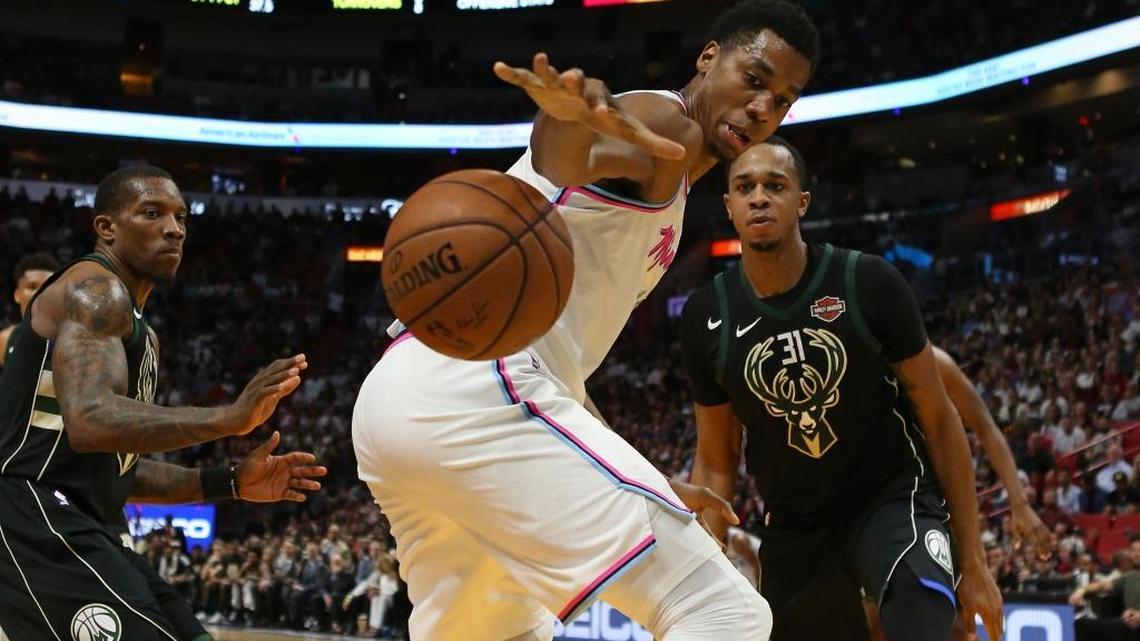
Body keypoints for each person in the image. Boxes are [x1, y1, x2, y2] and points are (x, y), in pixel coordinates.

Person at [353, 2, 819, 639]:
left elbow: (561, 370)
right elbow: (571, 155)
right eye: (756, 78)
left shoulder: (675, 184)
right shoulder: (668, 126)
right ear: (709, 58)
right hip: (477, 390)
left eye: (785, 100)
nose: (764, 107)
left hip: (400, 400)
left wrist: (648, 478)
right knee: (723, 613)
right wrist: (566, 120)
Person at [679, 139, 1003, 641]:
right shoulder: (706, 315)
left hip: (893, 499)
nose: (758, 198)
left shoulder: (868, 282)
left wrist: (975, 563)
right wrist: (706, 561)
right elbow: (717, 459)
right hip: (794, 523)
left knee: (920, 614)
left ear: (802, 201)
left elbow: (940, 420)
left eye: (775, 186)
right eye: (744, 188)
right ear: (728, 206)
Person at [0, 166, 327, 641]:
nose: (174, 228)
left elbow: (118, 468)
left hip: (83, 520)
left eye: (181, 217)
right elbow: (91, 422)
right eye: (152, 213)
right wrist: (229, 418)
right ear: (106, 227)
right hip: (29, 513)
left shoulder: (142, 334)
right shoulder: (96, 289)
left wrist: (229, 482)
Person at [0, 252, 59, 369]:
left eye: (47, 287)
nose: (40, 293)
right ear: (17, 295)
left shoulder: (70, 341)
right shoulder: (5, 339)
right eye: (32, 287)